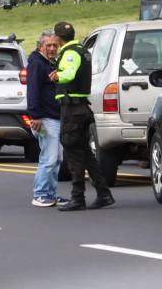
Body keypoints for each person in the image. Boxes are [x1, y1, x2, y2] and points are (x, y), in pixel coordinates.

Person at [50, 22, 115, 212]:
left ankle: (78, 197)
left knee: (73, 153)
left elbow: (68, 74)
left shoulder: (70, 53)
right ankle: (104, 194)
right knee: (86, 153)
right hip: (82, 108)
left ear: (58, 38)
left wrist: (57, 76)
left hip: (73, 110)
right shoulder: (83, 50)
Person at [27, 31, 68, 207]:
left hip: (54, 117)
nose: (52, 48)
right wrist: (35, 115)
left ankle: (50, 194)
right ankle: (41, 194)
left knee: (56, 158)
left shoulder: (50, 63)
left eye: (55, 45)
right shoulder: (37, 64)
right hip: (44, 118)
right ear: (40, 46)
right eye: (48, 45)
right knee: (49, 158)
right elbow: (33, 90)